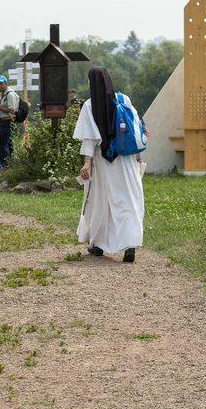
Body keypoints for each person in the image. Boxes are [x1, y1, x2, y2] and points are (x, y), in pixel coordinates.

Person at [73, 66, 144, 263]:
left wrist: (87, 163)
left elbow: (89, 138)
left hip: (103, 161)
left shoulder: (89, 106)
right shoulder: (124, 99)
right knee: (127, 199)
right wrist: (138, 158)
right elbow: (134, 129)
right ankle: (130, 245)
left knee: (100, 201)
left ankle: (98, 244)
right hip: (126, 159)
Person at [0, 75, 19, 166]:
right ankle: (10, 165)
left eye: (1, 84)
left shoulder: (10, 94)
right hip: (2, 122)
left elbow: (12, 110)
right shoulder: (2, 95)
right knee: (8, 146)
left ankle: (6, 166)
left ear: (6, 84)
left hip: (8, 123)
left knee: (1, 146)